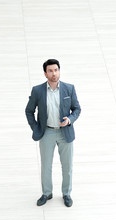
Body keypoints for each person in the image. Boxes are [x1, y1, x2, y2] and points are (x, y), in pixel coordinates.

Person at [25, 59, 81, 207]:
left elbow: (77, 109)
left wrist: (69, 119)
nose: (54, 73)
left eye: (56, 70)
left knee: (67, 166)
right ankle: (46, 193)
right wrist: (36, 128)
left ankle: (66, 194)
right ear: (45, 73)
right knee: (46, 166)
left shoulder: (69, 88)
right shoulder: (37, 90)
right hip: (47, 133)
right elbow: (29, 111)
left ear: (59, 71)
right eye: (50, 71)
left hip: (65, 132)